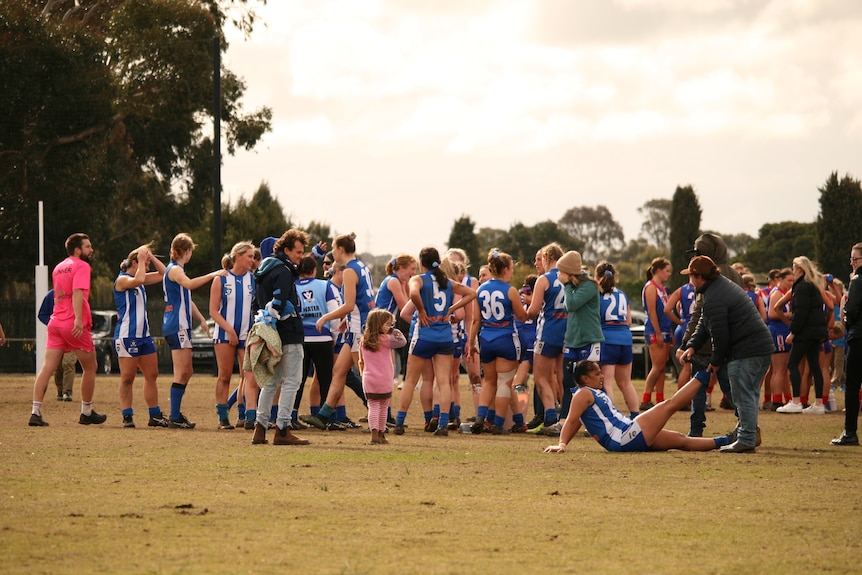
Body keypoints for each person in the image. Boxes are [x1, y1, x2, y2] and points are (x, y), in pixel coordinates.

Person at [679, 256, 774, 453]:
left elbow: (719, 334)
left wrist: (714, 361)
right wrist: (692, 346)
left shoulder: (714, 296)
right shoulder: (717, 288)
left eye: (691, 276)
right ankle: (747, 433)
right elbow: (705, 323)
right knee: (748, 393)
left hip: (748, 350)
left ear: (699, 277)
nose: (689, 281)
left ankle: (746, 438)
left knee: (743, 393)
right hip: (759, 347)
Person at [543, 361, 729, 453]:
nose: (601, 376)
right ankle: (706, 372)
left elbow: (577, 422)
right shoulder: (583, 393)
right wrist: (561, 444)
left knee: (681, 440)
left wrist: (564, 443)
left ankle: (726, 441)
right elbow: (572, 420)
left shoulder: (590, 393)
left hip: (626, 433)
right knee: (668, 405)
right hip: (624, 436)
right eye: (597, 373)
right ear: (585, 378)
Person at [393, 246, 476, 435]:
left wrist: (421, 311)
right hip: (444, 334)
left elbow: (413, 294)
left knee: (411, 381)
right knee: (444, 382)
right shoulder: (446, 281)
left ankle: (399, 423)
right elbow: (472, 293)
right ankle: (443, 425)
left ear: (422, 263)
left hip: (424, 333)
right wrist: (450, 309)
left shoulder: (419, 279)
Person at [29, 233, 106, 427]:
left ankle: (35, 412)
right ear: (77, 250)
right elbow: (78, 292)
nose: (91, 250)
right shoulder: (82, 266)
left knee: (47, 368)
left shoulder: (58, 267)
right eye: (88, 246)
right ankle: (86, 412)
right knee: (91, 367)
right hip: (73, 324)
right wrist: (79, 319)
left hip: (56, 322)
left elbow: (60, 294)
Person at [303, 233, 373, 429]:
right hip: (357, 326)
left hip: (359, 329)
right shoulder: (361, 266)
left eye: (334, 248)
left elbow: (350, 304)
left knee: (366, 375)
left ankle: (379, 417)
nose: (332, 252)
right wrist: (345, 320)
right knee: (338, 371)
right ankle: (324, 416)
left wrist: (326, 317)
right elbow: (359, 302)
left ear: (341, 249)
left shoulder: (350, 270)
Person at [251, 229, 310, 446]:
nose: (300, 256)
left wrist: (264, 327)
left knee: (271, 382)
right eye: (298, 252)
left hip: (270, 333)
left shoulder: (263, 270)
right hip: (289, 332)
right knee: (292, 381)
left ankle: (260, 428)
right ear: (286, 250)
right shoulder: (283, 271)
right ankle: (283, 429)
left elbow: (256, 305)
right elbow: (279, 302)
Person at [162, 233, 222, 429]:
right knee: (182, 372)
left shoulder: (177, 270)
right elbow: (188, 285)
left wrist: (202, 319)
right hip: (176, 325)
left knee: (187, 371)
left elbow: (186, 298)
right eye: (190, 252)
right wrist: (213, 274)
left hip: (181, 325)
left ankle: (176, 415)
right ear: (186, 252)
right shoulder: (175, 270)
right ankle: (174, 417)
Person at [468, 248, 528, 434]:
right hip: (506, 338)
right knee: (504, 382)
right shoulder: (510, 291)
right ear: (505, 269)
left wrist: (471, 344)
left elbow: (475, 320)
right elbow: (523, 316)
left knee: (489, 382)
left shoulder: (480, 289)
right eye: (511, 268)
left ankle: (480, 417)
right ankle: (498, 424)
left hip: (486, 338)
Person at [114, 244, 170, 428]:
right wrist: (141, 262)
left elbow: (164, 274)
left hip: (144, 336)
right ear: (135, 263)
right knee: (128, 377)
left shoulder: (140, 277)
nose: (147, 269)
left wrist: (152, 258)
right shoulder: (122, 280)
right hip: (127, 336)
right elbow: (138, 280)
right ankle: (127, 415)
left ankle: (155, 414)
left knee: (152, 375)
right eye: (144, 264)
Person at [552, 250, 604, 437]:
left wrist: (566, 285)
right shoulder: (573, 286)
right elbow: (569, 306)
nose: (559, 275)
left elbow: (572, 304)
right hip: (572, 340)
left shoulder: (589, 286)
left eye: (561, 271)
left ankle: (600, 420)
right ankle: (564, 420)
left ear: (569, 272)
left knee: (592, 382)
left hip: (588, 340)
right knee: (568, 381)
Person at [209, 241, 256, 429]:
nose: (253, 260)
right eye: (250, 256)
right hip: (224, 335)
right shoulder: (220, 279)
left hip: (247, 335)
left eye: (253, 257)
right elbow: (213, 311)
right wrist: (229, 330)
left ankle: (249, 417)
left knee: (250, 376)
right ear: (238, 257)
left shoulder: (253, 279)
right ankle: (222, 417)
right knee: (225, 376)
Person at [775, 257, 830, 414]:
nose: (792, 270)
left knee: (792, 363)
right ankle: (819, 403)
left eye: (794, 267)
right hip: (816, 331)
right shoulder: (813, 285)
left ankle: (796, 400)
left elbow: (801, 312)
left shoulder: (801, 287)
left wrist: (794, 331)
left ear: (799, 269)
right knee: (815, 367)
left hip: (806, 332)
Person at [525, 243, 566, 433]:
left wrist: (521, 311)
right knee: (562, 378)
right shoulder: (570, 277)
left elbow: (532, 312)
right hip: (568, 332)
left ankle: (550, 418)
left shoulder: (544, 279)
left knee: (541, 377)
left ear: (547, 257)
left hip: (548, 332)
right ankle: (565, 418)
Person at [595, 261, 639, 416]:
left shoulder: (598, 296)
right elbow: (628, 321)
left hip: (608, 339)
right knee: (626, 383)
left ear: (597, 276)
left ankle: (609, 416)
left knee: (606, 382)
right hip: (625, 339)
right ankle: (636, 415)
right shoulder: (622, 294)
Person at [358, 309, 407, 444]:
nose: (390, 327)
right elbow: (402, 341)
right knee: (384, 406)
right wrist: (394, 331)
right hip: (385, 378)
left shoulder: (363, 341)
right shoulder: (386, 339)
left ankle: (375, 432)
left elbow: (361, 360)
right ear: (378, 325)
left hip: (369, 378)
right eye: (387, 324)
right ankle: (380, 432)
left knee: (373, 405)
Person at [832, 242, 862, 446]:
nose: (851, 263)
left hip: (859, 336)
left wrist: (846, 321)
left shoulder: (858, 279)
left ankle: (850, 432)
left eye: (854, 259)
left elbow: (850, 310)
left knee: (852, 385)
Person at [640, 257, 674, 411]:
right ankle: (645, 398)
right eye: (667, 271)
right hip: (655, 330)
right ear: (659, 271)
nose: (668, 274)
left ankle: (660, 398)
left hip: (665, 329)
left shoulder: (662, 288)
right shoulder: (651, 287)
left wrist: (670, 331)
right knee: (657, 365)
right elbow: (652, 311)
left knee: (662, 366)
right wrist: (658, 332)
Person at [38, 289, 77, 401]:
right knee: (58, 366)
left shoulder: (75, 294)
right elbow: (42, 314)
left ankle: (67, 392)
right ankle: (60, 390)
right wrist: (52, 323)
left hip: (72, 334)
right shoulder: (51, 295)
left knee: (69, 363)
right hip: (57, 335)